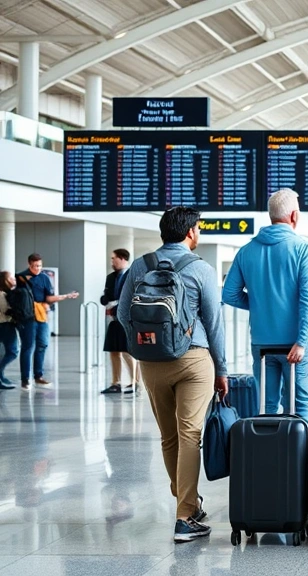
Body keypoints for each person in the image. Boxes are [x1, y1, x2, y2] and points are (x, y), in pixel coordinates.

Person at [117, 206, 228, 542]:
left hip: (151, 363)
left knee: (169, 437)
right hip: (193, 360)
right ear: (190, 232)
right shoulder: (201, 269)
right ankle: (185, 516)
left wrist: (144, 350)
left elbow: (123, 314)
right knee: (190, 434)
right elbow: (214, 323)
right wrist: (221, 370)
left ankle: (188, 503)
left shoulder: (140, 265)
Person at [222, 189, 308, 488]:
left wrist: (261, 303)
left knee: (266, 405)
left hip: (262, 344)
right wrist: (302, 341)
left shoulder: (247, 250)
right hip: (296, 345)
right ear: (293, 216)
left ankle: (267, 466)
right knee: (301, 404)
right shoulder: (303, 249)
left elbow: (229, 294)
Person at [17, 253, 78, 390]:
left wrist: (66, 296)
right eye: (35, 266)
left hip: (41, 315)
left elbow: (49, 297)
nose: (37, 268)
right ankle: (25, 379)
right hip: (27, 317)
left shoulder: (44, 278)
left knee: (43, 344)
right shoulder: (21, 278)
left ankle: (38, 376)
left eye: (39, 265)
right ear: (29, 264)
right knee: (28, 346)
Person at [100, 249, 140, 395]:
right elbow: (108, 295)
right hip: (113, 319)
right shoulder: (111, 277)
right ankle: (115, 382)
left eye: (114, 259)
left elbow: (133, 296)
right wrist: (105, 300)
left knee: (127, 351)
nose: (112, 262)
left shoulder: (132, 276)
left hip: (127, 319)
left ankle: (134, 382)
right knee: (114, 351)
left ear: (122, 259)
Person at [0, 271, 18, 389]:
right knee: (13, 351)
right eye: (11, 278)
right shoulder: (2, 295)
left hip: (4, 324)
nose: (14, 279)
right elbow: (5, 310)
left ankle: (1, 376)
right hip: (4, 324)